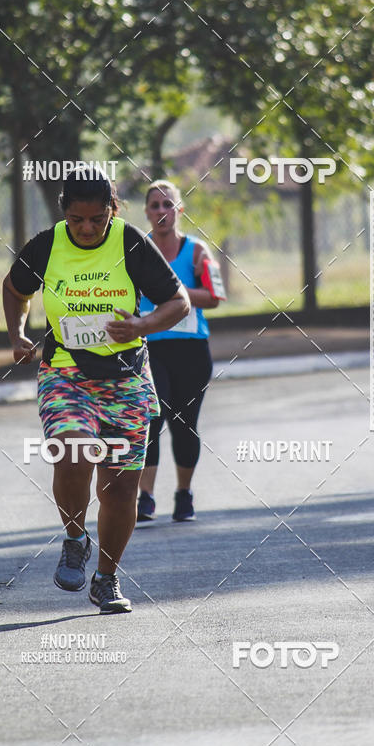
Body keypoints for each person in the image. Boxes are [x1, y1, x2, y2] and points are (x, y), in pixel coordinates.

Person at [2, 167, 190, 614]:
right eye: (76, 219)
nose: (86, 228)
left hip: (126, 377)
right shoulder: (47, 245)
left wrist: (142, 324)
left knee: (120, 489)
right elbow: (14, 289)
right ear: (64, 212)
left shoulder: (130, 243)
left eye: (96, 219)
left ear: (112, 209)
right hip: (65, 371)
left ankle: (106, 578)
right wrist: (17, 334)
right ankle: (74, 537)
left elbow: (178, 302)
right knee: (72, 452)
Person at [138, 180, 222, 524]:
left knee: (184, 424)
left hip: (190, 350)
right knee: (150, 418)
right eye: (155, 205)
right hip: (149, 348)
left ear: (179, 210)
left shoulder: (198, 250)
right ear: (146, 212)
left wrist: (173, 293)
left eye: (167, 204)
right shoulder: (136, 249)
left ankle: (184, 493)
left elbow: (214, 297)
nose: (161, 211)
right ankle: (145, 497)